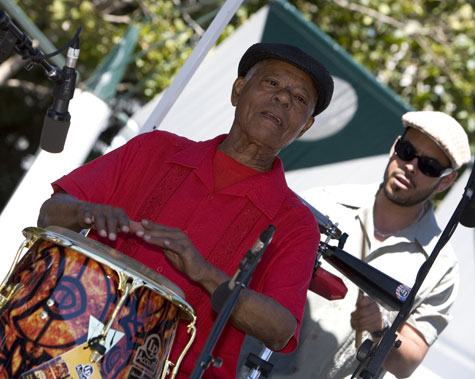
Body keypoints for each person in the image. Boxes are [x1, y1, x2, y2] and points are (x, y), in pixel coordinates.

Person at [37, 43, 334, 378]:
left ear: (305, 127)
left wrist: (204, 273)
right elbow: (50, 214)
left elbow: (280, 330)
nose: (283, 99)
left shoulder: (295, 223)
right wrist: (87, 213)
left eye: (299, 100)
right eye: (272, 84)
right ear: (238, 90)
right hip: (64, 350)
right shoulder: (154, 148)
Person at [239, 111, 470, 378]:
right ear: (394, 147)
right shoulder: (325, 203)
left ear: (446, 181)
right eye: (406, 151)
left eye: (429, 166)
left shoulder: (440, 267)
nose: (410, 166)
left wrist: (381, 327)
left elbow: (407, 363)